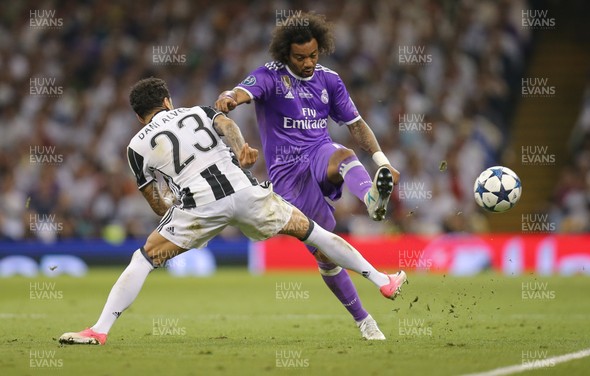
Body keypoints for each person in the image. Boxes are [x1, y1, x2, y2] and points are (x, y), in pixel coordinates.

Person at [58, 77, 407, 345]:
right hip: (244, 192)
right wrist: (241, 148)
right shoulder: (197, 111)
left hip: (197, 205)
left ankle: (99, 330)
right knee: (313, 232)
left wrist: (175, 215)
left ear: (139, 116)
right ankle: (382, 280)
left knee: (144, 259)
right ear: (167, 101)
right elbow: (226, 123)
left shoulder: (136, 146)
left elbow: (154, 201)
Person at [214, 12, 400, 340]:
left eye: (313, 55)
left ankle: (373, 198)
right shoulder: (268, 77)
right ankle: (364, 320)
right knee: (326, 254)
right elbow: (238, 93)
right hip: (288, 176)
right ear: (286, 53)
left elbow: (356, 124)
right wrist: (228, 99)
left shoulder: (329, 80)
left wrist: (382, 160)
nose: (308, 62)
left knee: (343, 154)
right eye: (300, 57)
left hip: (318, 153)